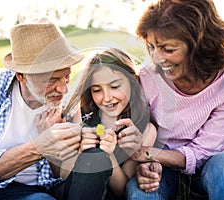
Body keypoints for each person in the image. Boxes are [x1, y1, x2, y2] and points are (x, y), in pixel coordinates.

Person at [0, 18, 113, 200]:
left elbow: (62, 175)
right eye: (52, 80)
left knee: (95, 160)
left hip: (48, 187)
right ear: (21, 75)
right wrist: (39, 147)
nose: (64, 89)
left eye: (66, 76)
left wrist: (67, 148)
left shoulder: (67, 100)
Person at [125, 0, 224, 199]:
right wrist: (150, 164)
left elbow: (207, 148)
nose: (156, 59)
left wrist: (149, 153)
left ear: (200, 46)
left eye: (168, 49)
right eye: (151, 47)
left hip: (213, 160)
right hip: (162, 165)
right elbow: (144, 128)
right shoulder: (148, 76)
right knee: (141, 194)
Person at [62, 48, 157, 199]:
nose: (106, 98)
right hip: (76, 191)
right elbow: (65, 176)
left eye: (114, 87)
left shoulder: (145, 130)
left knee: (97, 157)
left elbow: (122, 190)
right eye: (97, 90)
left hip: (109, 195)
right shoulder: (85, 116)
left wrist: (108, 154)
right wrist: (80, 151)